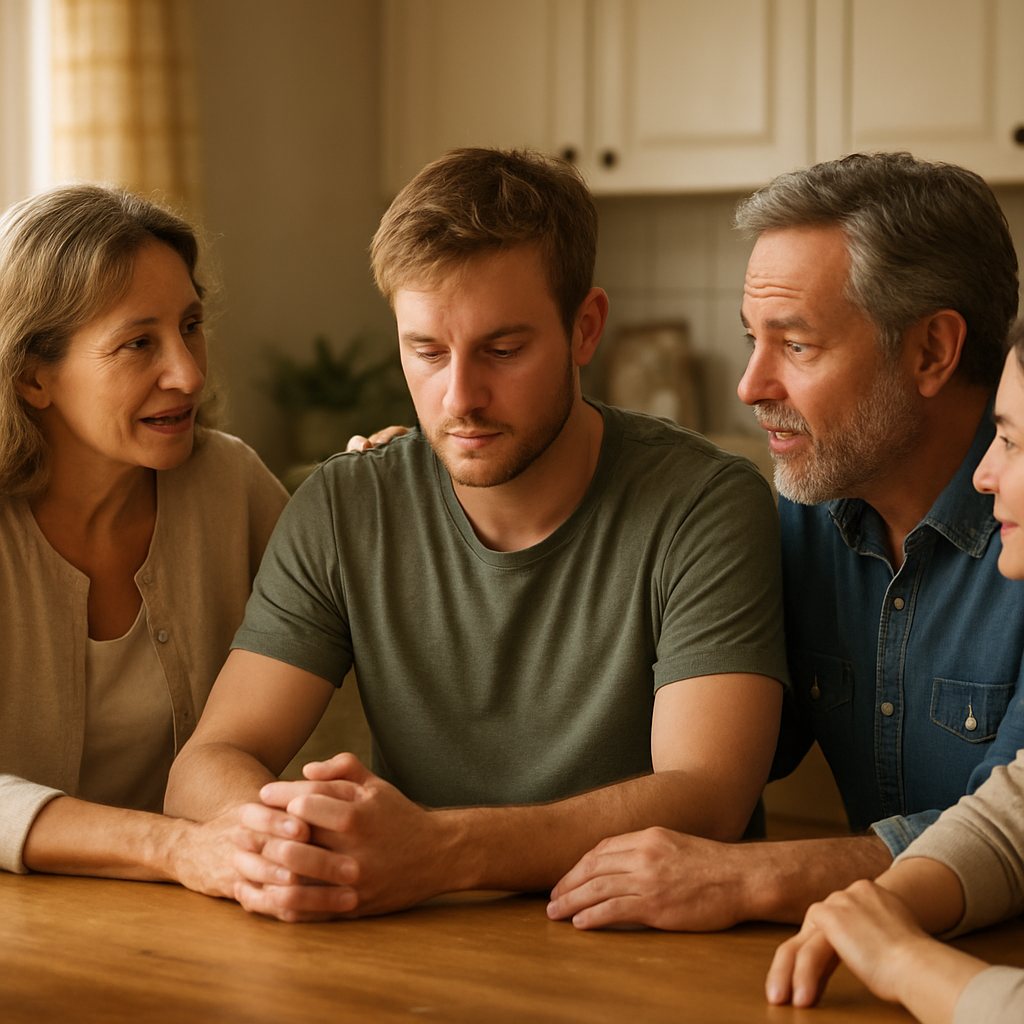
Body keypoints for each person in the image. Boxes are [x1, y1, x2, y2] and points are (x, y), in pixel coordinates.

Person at [163, 147, 790, 922]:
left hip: (643, 948)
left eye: (503, 350)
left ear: (585, 327)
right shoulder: (343, 506)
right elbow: (206, 765)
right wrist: (297, 838)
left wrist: (440, 850)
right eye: (426, 351)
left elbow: (707, 798)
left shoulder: (706, 502)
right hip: (410, 940)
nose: (460, 397)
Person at [546, 151, 1024, 931]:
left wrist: (752, 879)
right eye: (751, 340)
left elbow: (1015, 834)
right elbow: (675, 742)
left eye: (795, 346)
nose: (750, 385)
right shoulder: (797, 516)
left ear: (932, 351)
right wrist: (456, 490)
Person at [0, 184, 289, 891]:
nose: (187, 373)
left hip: (198, 924)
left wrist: (387, 495)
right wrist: (175, 850)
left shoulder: (231, 483)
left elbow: (374, 610)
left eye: (191, 325)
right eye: (138, 343)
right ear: (34, 376)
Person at [765, 318, 1024, 1023]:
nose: (985, 472)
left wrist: (905, 961)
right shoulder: (803, 512)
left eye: (1012, 441)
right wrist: (879, 906)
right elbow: (1012, 822)